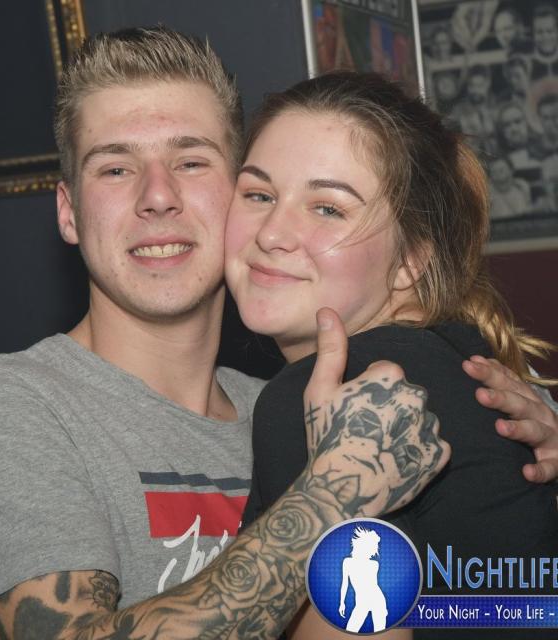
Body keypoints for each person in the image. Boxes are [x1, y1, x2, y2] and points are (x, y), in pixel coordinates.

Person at [0, 27, 558, 640]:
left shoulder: (309, 401)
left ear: (232, 191)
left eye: (191, 162)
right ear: (68, 212)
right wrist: (329, 496)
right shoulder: (16, 408)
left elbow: (494, 603)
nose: (157, 196)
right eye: (115, 169)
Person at [225, 70, 558, 639]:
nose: (273, 232)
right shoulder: (462, 360)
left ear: (410, 262)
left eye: (327, 208)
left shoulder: (328, 394)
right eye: (259, 195)